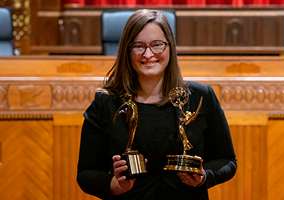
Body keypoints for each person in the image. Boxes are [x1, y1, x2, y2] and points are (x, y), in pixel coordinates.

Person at [77, 9, 237, 200]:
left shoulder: (201, 97)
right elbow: (86, 173)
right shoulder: (105, 103)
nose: (148, 54)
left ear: (170, 47)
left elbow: (227, 161)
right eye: (138, 46)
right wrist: (115, 185)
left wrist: (204, 177)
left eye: (157, 45)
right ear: (126, 51)